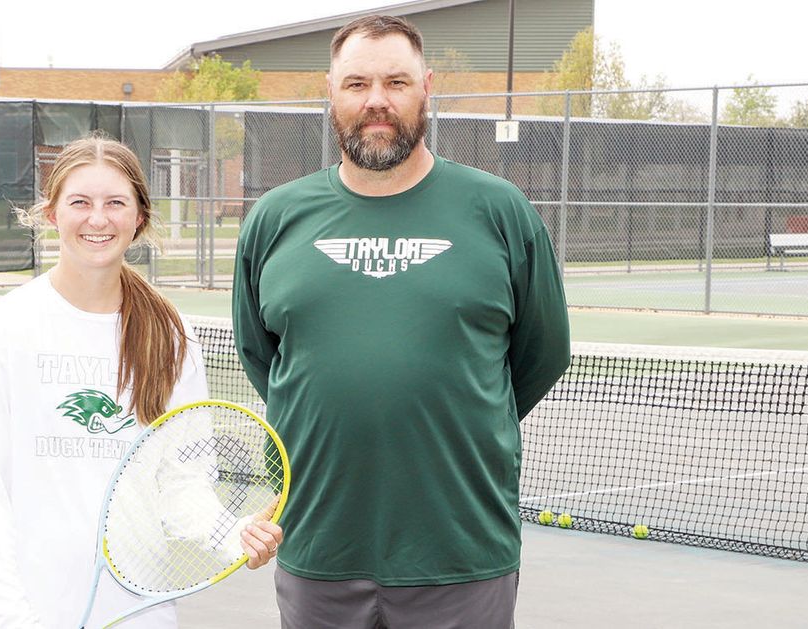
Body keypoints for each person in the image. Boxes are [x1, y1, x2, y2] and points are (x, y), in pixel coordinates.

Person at [231, 15, 571, 629]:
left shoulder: (501, 211)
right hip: (316, 543)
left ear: (427, 87)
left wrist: (452, 411)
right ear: (330, 93)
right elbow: (264, 357)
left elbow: (542, 355)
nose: (377, 101)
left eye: (396, 81)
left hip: (460, 550)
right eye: (357, 84)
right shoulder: (275, 219)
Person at [0, 135, 282, 629]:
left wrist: (231, 534)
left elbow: (182, 481)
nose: (98, 219)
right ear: (52, 214)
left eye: (115, 203)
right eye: (80, 203)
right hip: (30, 612)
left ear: (139, 217)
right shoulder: (5, 328)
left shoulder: (171, 336)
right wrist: (12, 616)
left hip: (138, 610)